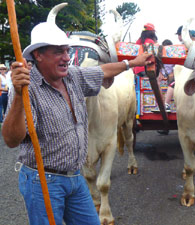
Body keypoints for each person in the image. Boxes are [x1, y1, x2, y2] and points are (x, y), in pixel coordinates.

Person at [1, 21, 152, 225]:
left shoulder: (72, 76)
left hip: (75, 178)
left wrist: (131, 64)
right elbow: (11, 139)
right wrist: (19, 95)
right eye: (58, 52)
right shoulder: (28, 89)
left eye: (66, 50)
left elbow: (103, 71)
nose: (66, 57)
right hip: (43, 181)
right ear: (38, 55)